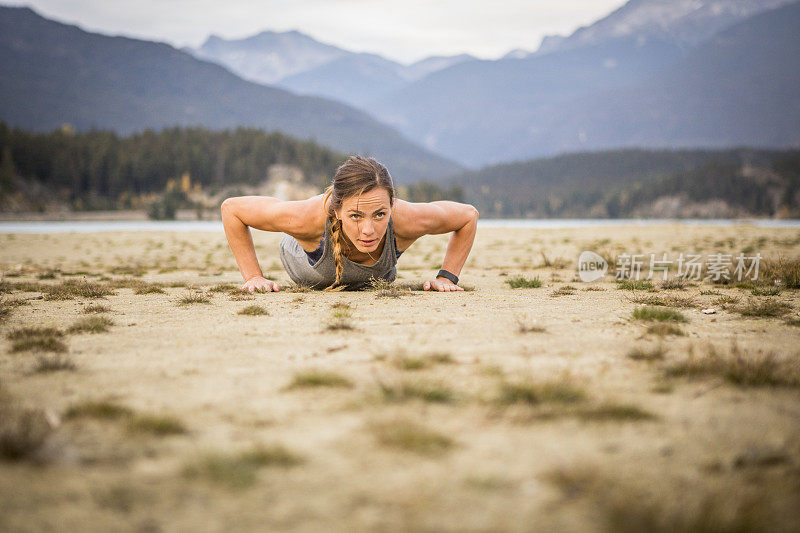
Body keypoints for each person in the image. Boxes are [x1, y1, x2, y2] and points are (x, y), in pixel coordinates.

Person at [220, 155, 478, 292]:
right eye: (356, 216)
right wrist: (253, 277)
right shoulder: (307, 218)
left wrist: (447, 277)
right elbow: (232, 209)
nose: (369, 230)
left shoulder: (405, 218)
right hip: (303, 254)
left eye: (380, 215)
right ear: (338, 209)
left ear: (391, 206)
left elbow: (467, 216)